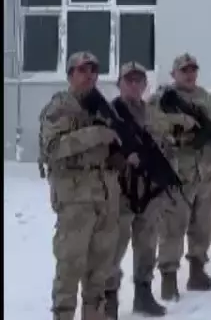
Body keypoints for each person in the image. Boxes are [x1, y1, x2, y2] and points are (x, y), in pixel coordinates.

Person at [41, 52, 122, 320]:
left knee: (100, 266)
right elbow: (53, 148)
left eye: (94, 70)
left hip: (104, 193)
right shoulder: (59, 107)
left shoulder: (103, 107)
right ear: (70, 75)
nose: (89, 75)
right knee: (71, 264)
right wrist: (96, 134)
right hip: (75, 196)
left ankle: (94, 314)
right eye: (82, 70)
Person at [148, 53, 211, 299]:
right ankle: (169, 279)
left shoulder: (204, 96)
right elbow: (152, 123)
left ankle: (197, 272)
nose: (189, 75)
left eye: (193, 70)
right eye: (184, 70)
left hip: (204, 171)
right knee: (173, 226)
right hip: (178, 173)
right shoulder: (161, 98)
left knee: (203, 225)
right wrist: (182, 122)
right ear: (173, 74)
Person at [104, 61, 169, 317]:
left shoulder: (153, 113)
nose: (134, 85)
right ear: (119, 84)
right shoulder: (109, 113)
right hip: (120, 192)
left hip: (149, 191)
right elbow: (100, 154)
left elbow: (166, 143)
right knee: (113, 248)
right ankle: (109, 302)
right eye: (128, 80)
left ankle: (144, 293)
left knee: (147, 245)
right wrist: (122, 159)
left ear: (145, 84)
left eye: (138, 80)